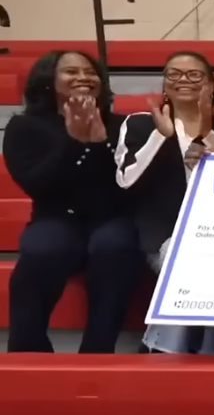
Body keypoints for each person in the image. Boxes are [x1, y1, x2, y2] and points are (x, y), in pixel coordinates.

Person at [3, 50, 144, 353]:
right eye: (71, 72)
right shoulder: (24, 127)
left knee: (116, 246)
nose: (83, 77)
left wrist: (101, 144)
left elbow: (130, 184)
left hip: (113, 216)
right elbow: (38, 185)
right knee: (43, 249)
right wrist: (74, 142)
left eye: (90, 72)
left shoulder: (125, 125)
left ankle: (98, 350)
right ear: (48, 81)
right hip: (56, 216)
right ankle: (30, 353)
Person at [115, 51, 214, 354]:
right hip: (164, 233)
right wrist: (160, 137)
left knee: (213, 265)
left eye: (194, 75)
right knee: (189, 265)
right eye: (173, 74)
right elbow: (126, 182)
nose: (182, 80)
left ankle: (162, 349)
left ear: (211, 86)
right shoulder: (139, 124)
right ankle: (199, 353)